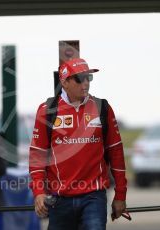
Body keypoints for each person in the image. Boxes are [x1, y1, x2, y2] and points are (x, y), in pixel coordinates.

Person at [29, 58, 127, 230]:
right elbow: (37, 156)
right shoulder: (47, 110)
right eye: (79, 78)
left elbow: (116, 152)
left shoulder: (102, 107)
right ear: (64, 82)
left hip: (93, 197)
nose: (86, 83)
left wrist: (120, 194)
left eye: (88, 78)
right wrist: (38, 192)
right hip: (59, 199)